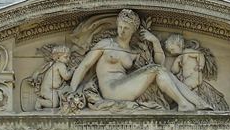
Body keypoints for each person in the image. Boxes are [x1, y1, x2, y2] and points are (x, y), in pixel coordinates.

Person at [68, 9, 210, 112]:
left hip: (125, 89)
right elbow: (84, 66)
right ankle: (184, 103)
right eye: (120, 27)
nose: (121, 31)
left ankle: (194, 102)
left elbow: (161, 67)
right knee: (155, 70)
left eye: (126, 28)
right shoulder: (106, 44)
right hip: (111, 90)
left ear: (133, 31)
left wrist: (154, 41)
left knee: (159, 71)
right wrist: (71, 91)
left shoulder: (134, 52)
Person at [33, 45, 73, 109]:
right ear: (58, 57)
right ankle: (39, 102)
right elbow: (66, 76)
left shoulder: (56, 65)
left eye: (69, 57)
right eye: (66, 57)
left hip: (51, 89)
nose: (68, 59)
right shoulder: (60, 65)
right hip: (48, 90)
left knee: (55, 102)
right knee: (54, 104)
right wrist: (72, 70)